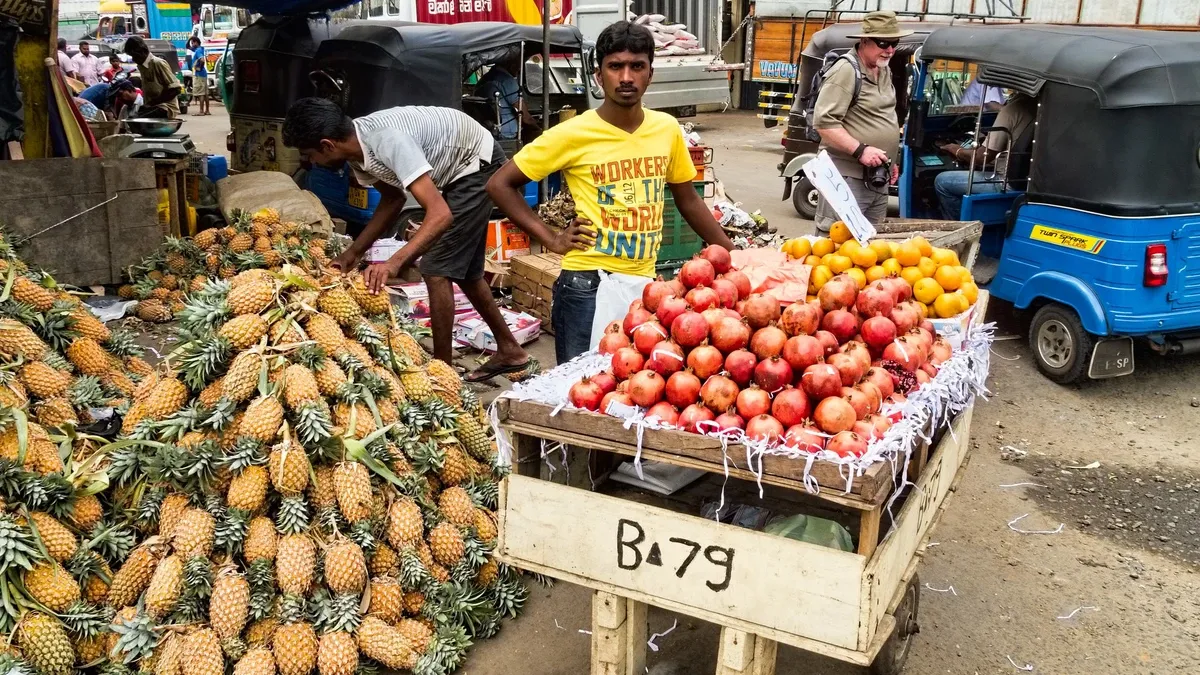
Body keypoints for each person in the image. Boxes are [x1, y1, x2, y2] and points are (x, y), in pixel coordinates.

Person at [486, 21, 735, 365]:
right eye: (615, 66)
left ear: (651, 73)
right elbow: (500, 184)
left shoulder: (665, 129)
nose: (626, 77)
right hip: (587, 284)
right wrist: (552, 237)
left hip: (647, 285)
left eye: (637, 66)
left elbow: (687, 198)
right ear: (599, 76)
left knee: (633, 389)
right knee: (581, 389)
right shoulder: (574, 133)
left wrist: (731, 254)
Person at [281, 97, 536, 382]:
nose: (311, 163)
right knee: (464, 271)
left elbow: (440, 215)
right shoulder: (358, 151)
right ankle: (510, 350)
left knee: (436, 269)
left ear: (327, 145)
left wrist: (393, 263)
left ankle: (442, 375)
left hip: (477, 165)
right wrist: (351, 254)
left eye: (310, 155)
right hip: (456, 170)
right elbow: (392, 199)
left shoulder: (388, 142)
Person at [811, 11, 911, 232]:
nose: (890, 50)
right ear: (864, 41)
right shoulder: (846, 70)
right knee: (835, 247)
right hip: (846, 179)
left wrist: (888, 160)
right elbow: (824, 122)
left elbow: (877, 117)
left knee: (870, 248)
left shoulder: (882, 70)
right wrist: (861, 150)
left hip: (877, 178)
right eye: (884, 42)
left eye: (894, 43)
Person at [933, 94, 1037, 220]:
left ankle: (958, 228)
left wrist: (956, 150)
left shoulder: (1013, 109)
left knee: (942, 181)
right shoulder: (1041, 105)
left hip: (1004, 182)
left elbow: (981, 158)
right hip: (1029, 182)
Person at [475, 52, 532, 140]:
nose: (519, 70)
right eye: (518, 67)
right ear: (511, 65)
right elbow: (525, 117)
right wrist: (539, 128)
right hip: (506, 133)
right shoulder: (507, 81)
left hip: (488, 130)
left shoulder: (485, 79)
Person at [124, 36, 181, 119]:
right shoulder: (141, 66)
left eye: (134, 56)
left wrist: (152, 103)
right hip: (152, 107)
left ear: (142, 52)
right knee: (131, 116)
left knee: (136, 118)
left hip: (165, 107)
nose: (134, 59)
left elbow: (176, 89)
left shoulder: (158, 63)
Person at [187, 36, 210, 116]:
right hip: (203, 74)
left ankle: (201, 111)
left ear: (196, 42)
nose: (192, 44)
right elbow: (187, 46)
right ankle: (207, 110)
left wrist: (199, 67)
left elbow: (202, 60)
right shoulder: (198, 49)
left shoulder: (198, 51)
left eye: (193, 43)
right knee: (205, 93)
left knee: (201, 93)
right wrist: (190, 39)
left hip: (199, 74)